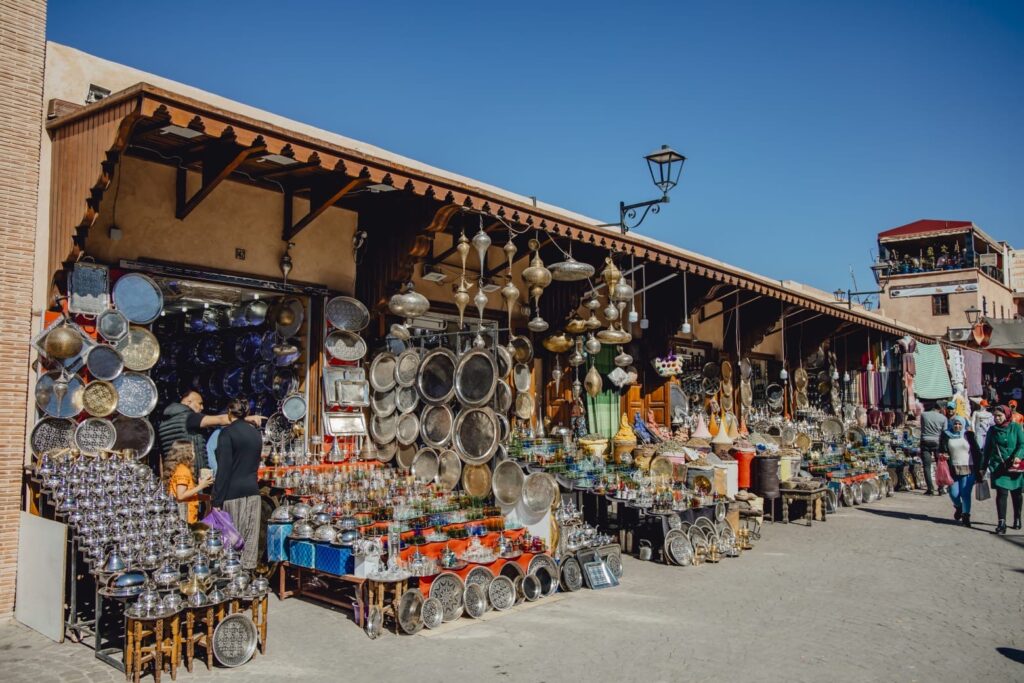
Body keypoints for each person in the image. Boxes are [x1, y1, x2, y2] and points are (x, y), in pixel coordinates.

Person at [158, 390, 262, 478]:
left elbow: (161, 457)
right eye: (200, 403)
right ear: (188, 402)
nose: (202, 408)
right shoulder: (190, 417)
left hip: (172, 476)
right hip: (191, 477)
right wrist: (247, 419)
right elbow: (220, 419)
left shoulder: (163, 423)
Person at [212, 398, 264, 570]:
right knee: (250, 540)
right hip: (253, 491)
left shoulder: (227, 433)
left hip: (233, 493)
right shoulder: (256, 434)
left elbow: (224, 469)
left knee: (232, 541)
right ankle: (247, 579)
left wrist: (216, 500)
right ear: (246, 413)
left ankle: (232, 579)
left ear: (229, 412)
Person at [984, 405, 1024, 534]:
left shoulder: (1016, 428)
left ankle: (1017, 518)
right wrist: (982, 467)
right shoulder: (992, 430)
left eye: (999, 416)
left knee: (1017, 494)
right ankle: (1002, 522)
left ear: (1006, 415)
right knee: (1001, 494)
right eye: (995, 416)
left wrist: (1018, 456)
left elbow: (1022, 444)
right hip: (998, 467)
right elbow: (987, 450)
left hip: (1015, 467)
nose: (996, 418)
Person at [941, 416, 981, 527]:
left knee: (965, 493)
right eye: (955, 424)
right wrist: (942, 454)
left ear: (963, 424)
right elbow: (941, 449)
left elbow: (977, 452)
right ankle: (959, 507)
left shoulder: (969, 435)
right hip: (953, 468)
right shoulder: (946, 435)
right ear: (952, 424)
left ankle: (966, 516)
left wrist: (981, 469)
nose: (957, 426)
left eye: (959, 424)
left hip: (969, 468)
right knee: (953, 494)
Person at [163, 439, 213, 524]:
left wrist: (206, 497)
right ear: (186, 453)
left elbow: (188, 494)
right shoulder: (183, 471)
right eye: (192, 450)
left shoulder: (179, 468)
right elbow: (181, 496)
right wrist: (201, 486)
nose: (194, 453)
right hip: (185, 517)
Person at [919, 401, 948, 495]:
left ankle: (930, 489)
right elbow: (944, 433)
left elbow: (922, 427)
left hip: (925, 441)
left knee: (927, 466)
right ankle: (940, 488)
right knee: (940, 466)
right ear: (941, 408)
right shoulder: (943, 418)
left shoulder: (923, 415)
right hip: (937, 442)